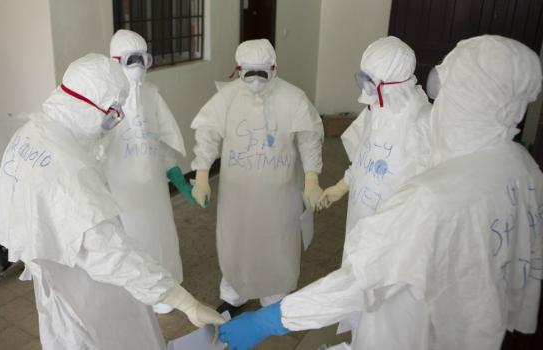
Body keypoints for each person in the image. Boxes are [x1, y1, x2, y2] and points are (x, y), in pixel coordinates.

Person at [219, 35, 543, 350]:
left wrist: (272, 320)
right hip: (463, 315)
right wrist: (341, 186)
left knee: (385, 322)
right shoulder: (523, 167)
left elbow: (363, 280)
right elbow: (366, 158)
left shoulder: (433, 191)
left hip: (407, 295)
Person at [0, 54, 224, 350]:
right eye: (112, 114)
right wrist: (182, 300)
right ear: (88, 104)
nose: (114, 123)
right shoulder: (69, 169)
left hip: (58, 281)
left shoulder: (29, 133)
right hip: (88, 291)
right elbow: (110, 253)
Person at [190, 39, 324, 311]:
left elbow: (309, 140)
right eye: (247, 74)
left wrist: (311, 178)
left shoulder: (293, 98)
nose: (254, 82)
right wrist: (202, 173)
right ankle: (233, 292)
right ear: (238, 69)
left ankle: (275, 294)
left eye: (261, 74)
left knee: (276, 242)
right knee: (235, 240)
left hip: (280, 195)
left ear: (273, 68)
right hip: (236, 194)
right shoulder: (227, 98)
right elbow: (207, 134)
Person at [318, 35, 431, 349]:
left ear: (393, 84)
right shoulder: (376, 110)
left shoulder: (424, 128)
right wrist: (343, 185)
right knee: (359, 294)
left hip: (397, 242)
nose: (364, 90)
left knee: (388, 314)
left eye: (371, 82)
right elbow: (365, 159)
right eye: (364, 79)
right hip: (362, 220)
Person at [105, 29, 192, 314]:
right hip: (120, 190)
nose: (138, 67)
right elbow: (89, 150)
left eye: (144, 59)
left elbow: (159, 140)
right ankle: (132, 292)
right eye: (132, 59)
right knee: (128, 239)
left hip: (153, 190)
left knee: (159, 236)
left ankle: (162, 290)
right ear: (114, 60)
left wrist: (177, 175)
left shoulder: (151, 95)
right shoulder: (101, 101)